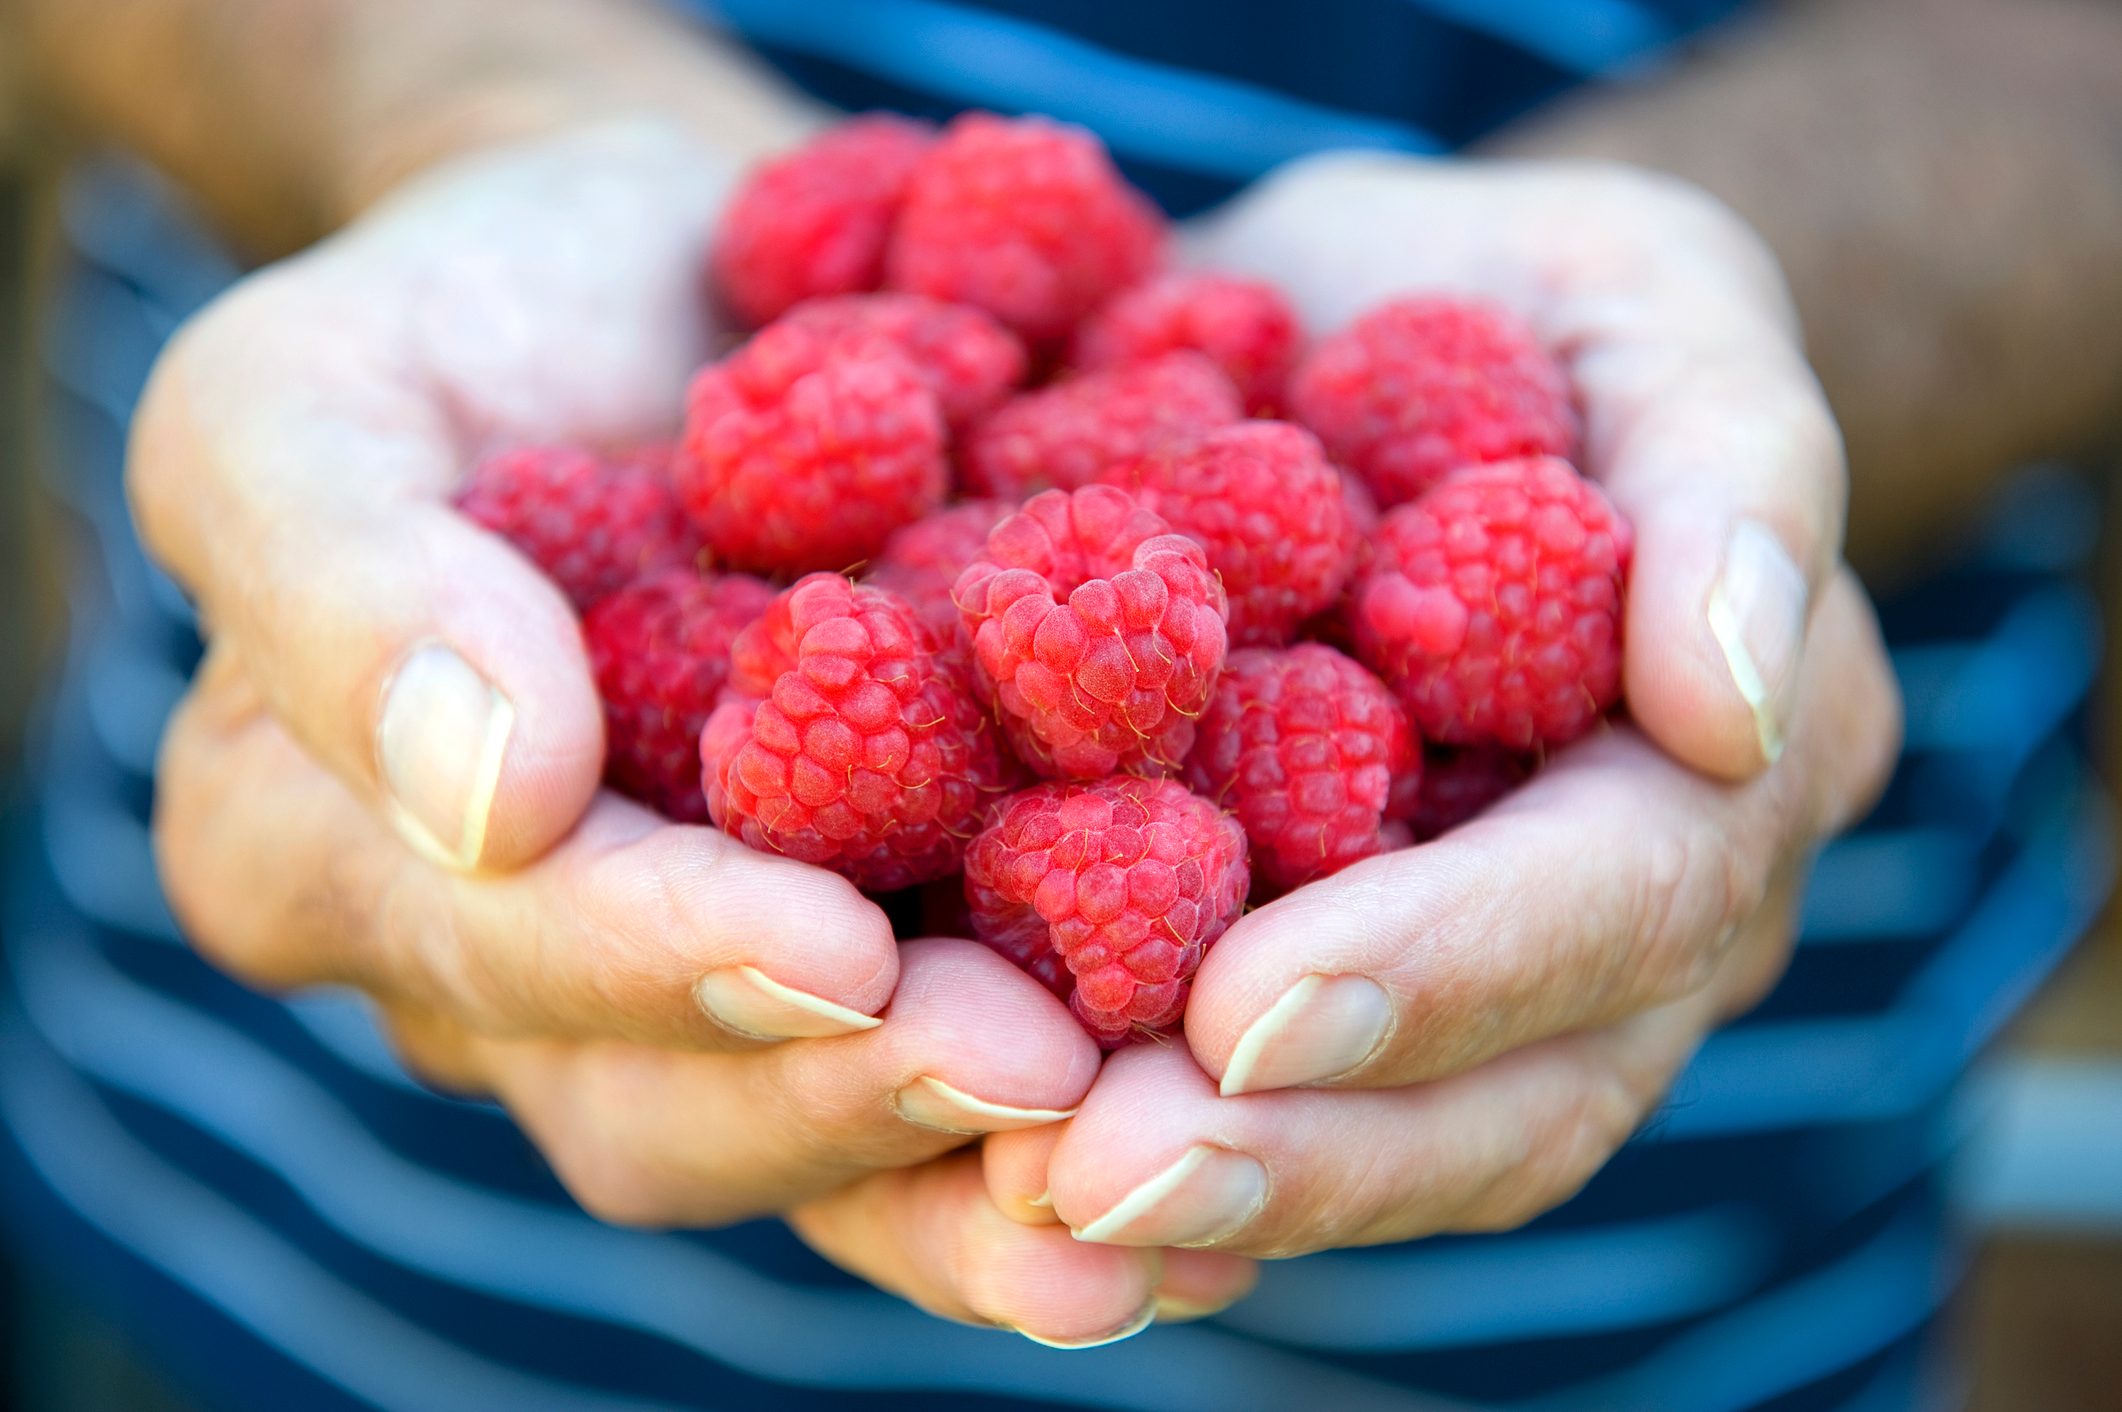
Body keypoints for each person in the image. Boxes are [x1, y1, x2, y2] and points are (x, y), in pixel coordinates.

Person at [0, 0, 2114, 1407]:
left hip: (1642, 1298)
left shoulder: (1218, 576)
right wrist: (468, 104)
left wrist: (1757, 297)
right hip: (272, 1254)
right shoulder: (881, 581)